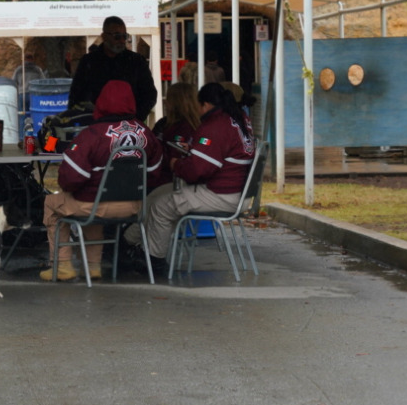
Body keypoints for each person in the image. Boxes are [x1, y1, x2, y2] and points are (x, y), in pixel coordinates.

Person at [40, 80, 165, 281]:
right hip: (134, 207)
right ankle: (93, 267)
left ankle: (62, 266)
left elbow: (70, 178)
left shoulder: (91, 135)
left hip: (95, 205)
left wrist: (80, 189)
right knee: (92, 205)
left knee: (52, 203)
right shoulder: (146, 133)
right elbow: (155, 173)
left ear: (102, 102)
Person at [129, 81, 256, 268]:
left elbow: (196, 171)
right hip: (236, 191)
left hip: (221, 193)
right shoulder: (238, 119)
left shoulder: (214, 125)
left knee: (161, 206)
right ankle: (129, 242)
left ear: (204, 105)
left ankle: (152, 261)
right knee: (159, 194)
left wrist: (176, 164)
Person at [68, 16, 158, 121]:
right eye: (117, 36)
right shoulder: (89, 62)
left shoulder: (137, 62)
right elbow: (76, 96)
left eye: (125, 36)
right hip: (95, 126)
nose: (122, 40)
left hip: (128, 126)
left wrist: (135, 118)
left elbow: (150, 95)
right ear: (104, 36)